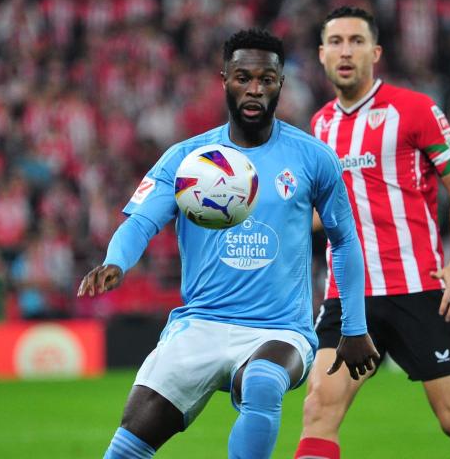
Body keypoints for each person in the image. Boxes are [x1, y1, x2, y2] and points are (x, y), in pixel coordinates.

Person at [77, 28, 379, 459]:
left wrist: (354, 326)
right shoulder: (188, 159)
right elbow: (142, 220)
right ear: (224, 80)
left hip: (279, 330)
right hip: (199, 324)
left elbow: (345, 241)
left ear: (279, 84)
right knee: (129, 443)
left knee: (262, 382)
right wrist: (116, 261)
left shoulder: (313, 158)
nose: (254, 89)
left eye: (266, 79)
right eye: (243, 77)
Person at [294, 7, 450, 459]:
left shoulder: (415, 109)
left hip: (417, 289)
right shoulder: (320, 126)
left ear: (376, 52)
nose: (345, 51)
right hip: (349, 295)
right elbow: (330, 210)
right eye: (336, 42)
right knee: (318, 411)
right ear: (321, 55)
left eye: (356, 41)